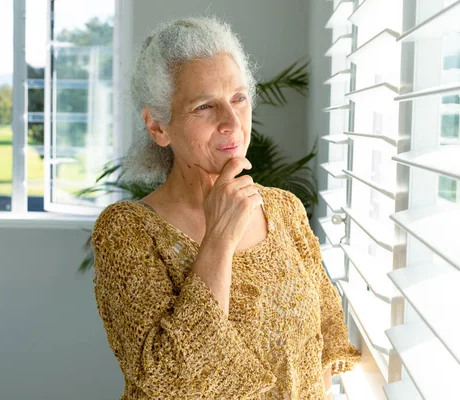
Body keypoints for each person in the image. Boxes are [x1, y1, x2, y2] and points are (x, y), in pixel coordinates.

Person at [91, 16, 361, 400]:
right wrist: (219, 238)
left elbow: (320, 359)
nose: (232, 122)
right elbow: (167, 381)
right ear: (157, 127)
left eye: (238, 98)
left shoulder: (285, 210)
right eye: (204, 106)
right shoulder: (127, 232)